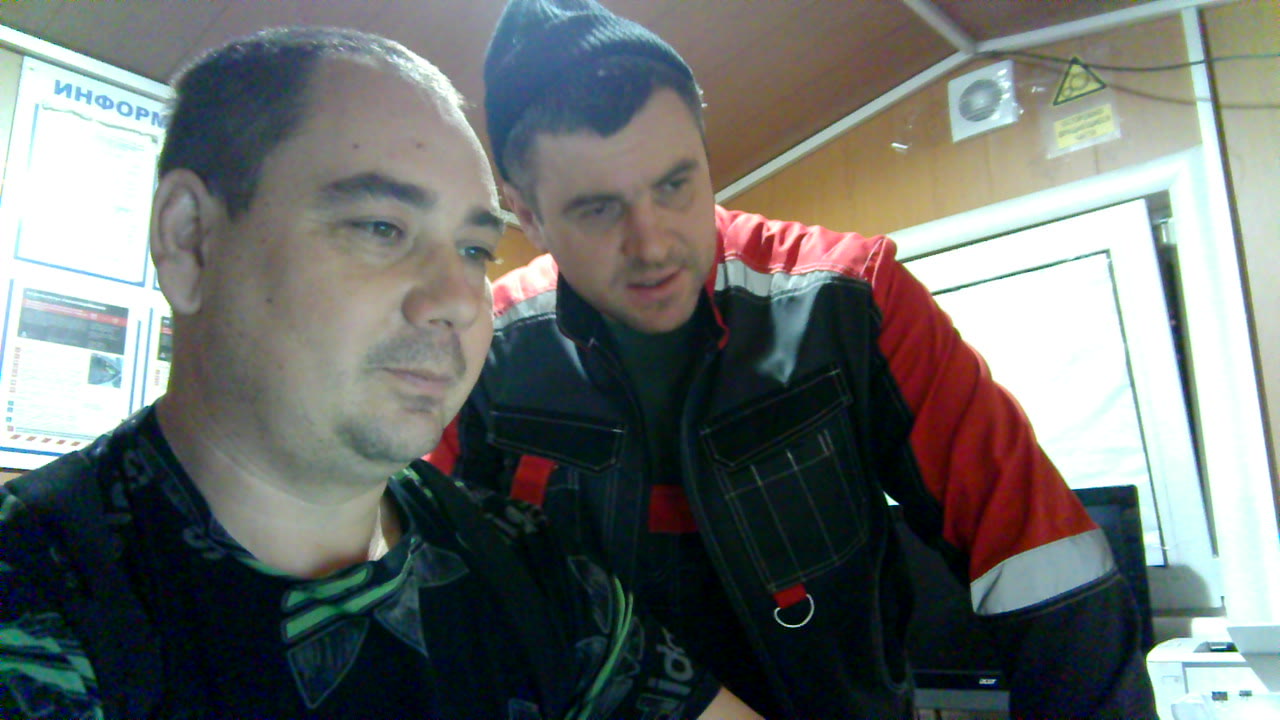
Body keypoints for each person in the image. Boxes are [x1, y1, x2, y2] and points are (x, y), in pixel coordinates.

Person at [0, 27, 762, 720]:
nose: (457, 300)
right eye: (381, 228)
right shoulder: (38, 600)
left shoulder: (524, 563)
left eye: (474, 250)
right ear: (191, 239)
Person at [428, 1, 1160, 718]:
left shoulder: (852, 300)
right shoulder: (482, 349)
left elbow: (1038, 555)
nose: (652, 245)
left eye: (676, 185)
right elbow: (421, 586)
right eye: (597, 209)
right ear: (527, 214)